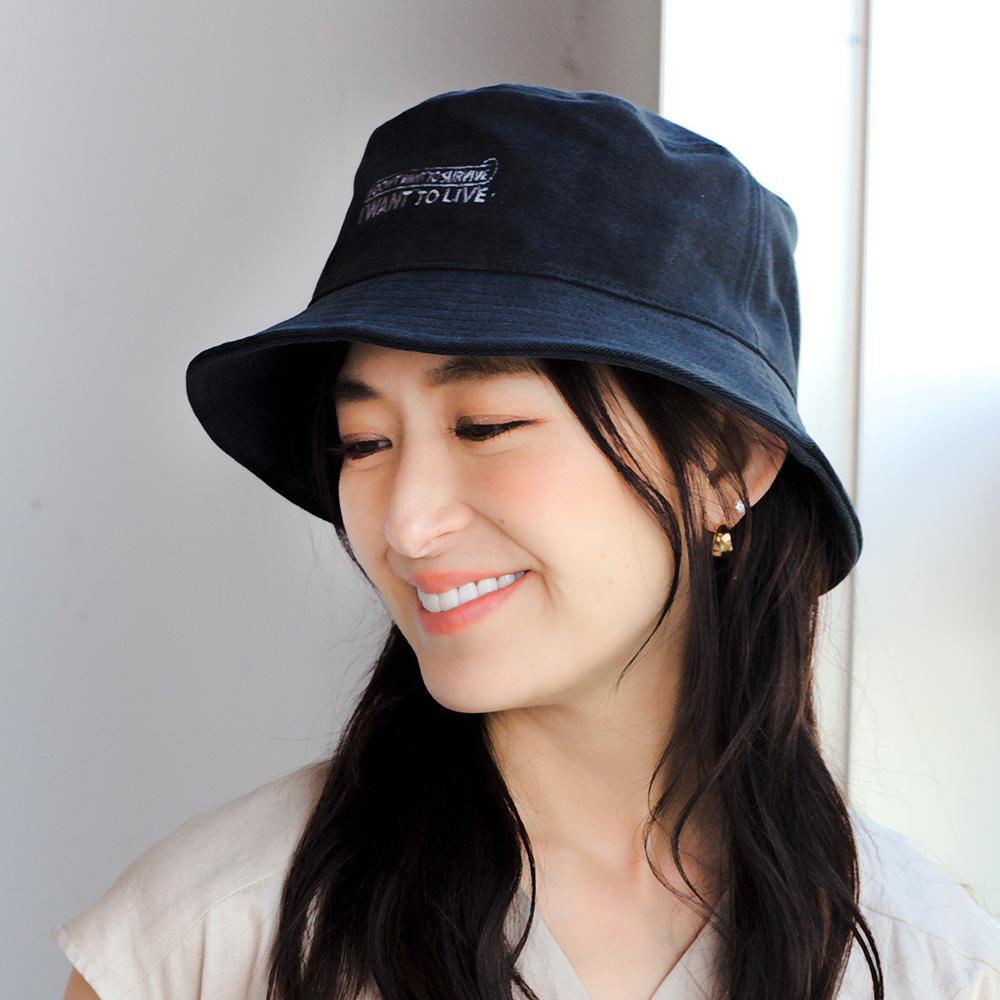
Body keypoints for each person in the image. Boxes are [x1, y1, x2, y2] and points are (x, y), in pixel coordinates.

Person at [52, 83, 1000, 1000]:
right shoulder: (202, 944)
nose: (406, 524)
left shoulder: (929, 965)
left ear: (723, 465)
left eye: (486, 427)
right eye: (363, 442)